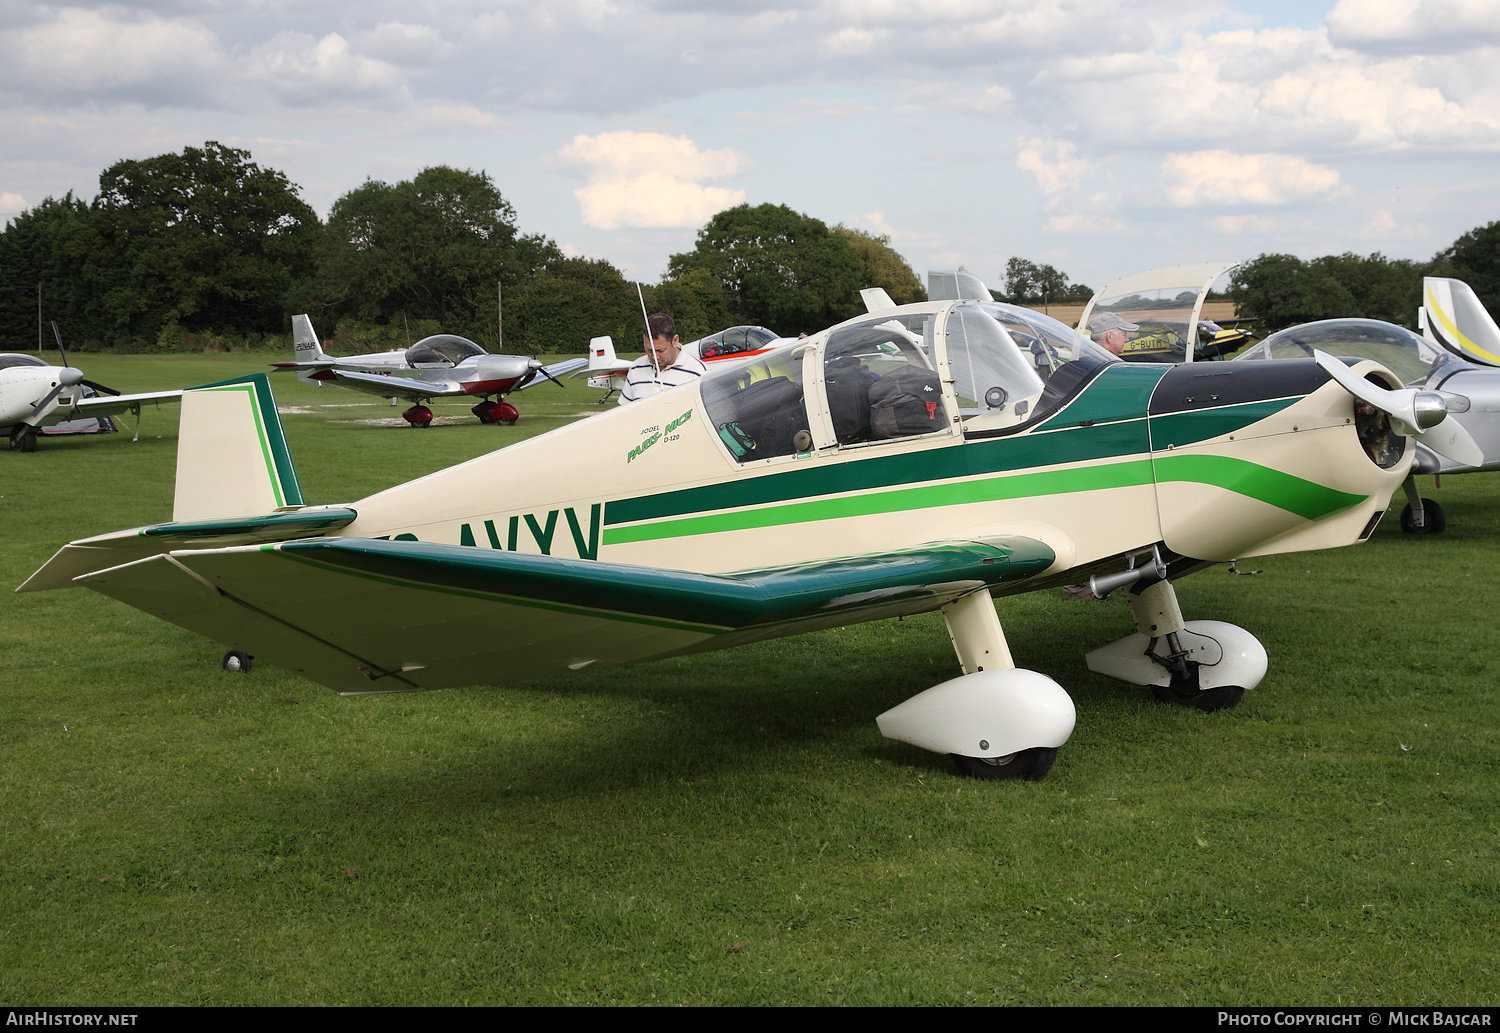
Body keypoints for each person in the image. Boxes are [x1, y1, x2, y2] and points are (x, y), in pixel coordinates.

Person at [618, 313, 708, 405]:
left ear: (675, 340)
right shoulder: (636, 367)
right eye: (649, 350)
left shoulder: (698, 372)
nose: (654, 356)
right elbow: (624, 411)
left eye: (660, 350)